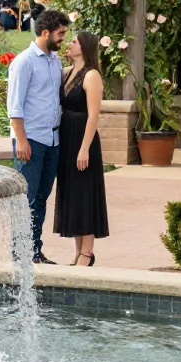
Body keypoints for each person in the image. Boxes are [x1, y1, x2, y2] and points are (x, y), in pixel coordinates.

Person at [6, 8, 69, 264]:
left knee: (41, 198)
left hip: (52, 141)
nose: (63, 37)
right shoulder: (24, 62)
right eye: (61, 33)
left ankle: (34, 251)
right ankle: (20, 253)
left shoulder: (55, 61)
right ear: (46, 32)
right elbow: (15, 105)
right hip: (30, 140)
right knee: (27, 200)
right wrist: (21, 141)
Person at [54, 30, 108, 265]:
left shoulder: (91, 75)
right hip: (66, 138)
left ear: (84, 47)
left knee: (84, 194)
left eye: (73, 41)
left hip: (82, 139)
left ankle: (87, 252)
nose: (69, 44)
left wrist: (84, 148)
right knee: (72, 194)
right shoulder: (67, 73)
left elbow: (94, 115)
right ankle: (78, 252)